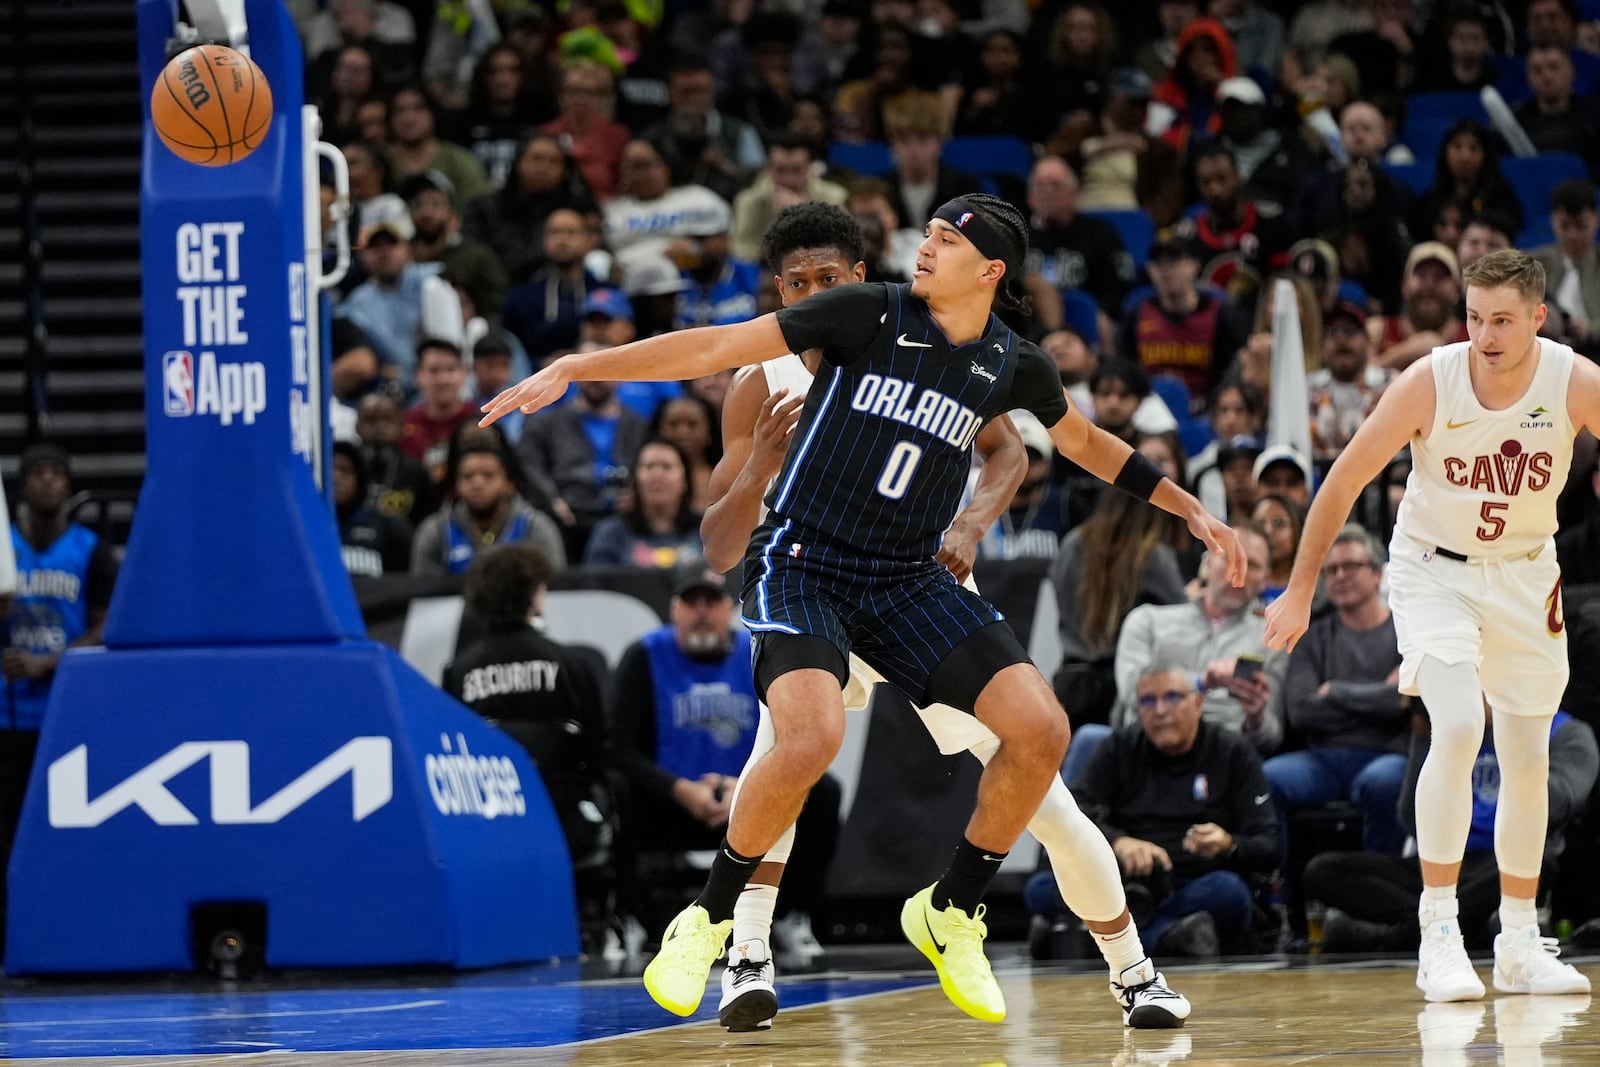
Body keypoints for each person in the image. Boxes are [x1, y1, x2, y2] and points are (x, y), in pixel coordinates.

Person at [482, 191, 1244, 1026]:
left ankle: (978, 917)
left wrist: (1185, 506)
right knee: (803, 743)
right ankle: (721, 931)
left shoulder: (1008, 362)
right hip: (809, 565)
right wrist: (577, 366)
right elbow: (708, 352)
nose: (924, 245)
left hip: (912, 574)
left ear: (988, 269)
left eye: (945, 238)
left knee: (1042, 739)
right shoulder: (852, 319)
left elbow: (1069, 445)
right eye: (925, 231)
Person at [697, 202, 1192, 1032]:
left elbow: (1012, 448)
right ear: (780, 291)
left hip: (908, 586)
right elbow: (718, 545)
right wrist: (755, 477)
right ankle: (746, 952)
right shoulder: (762, 381)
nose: (813, 294)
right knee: (785, 755)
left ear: (861, 279)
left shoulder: (921, 338)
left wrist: (969, 523)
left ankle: (1133, 968)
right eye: (796, 284)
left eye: (828, 279)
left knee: (1044, 783)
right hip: (810, 583)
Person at [1264, 248, 1600, 1002]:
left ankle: (1518, 939)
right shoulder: (1430, 381)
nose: (1485, 333)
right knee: (1454, 727)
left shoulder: (1574, 380)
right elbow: (1345, 477)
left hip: (1524, 571)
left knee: (1526, 754)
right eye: (1475, 316)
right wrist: (1300, 585)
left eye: (1503, 319)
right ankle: (1439, 934)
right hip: (1433, 568)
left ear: (1538, 319)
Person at [608, 562, 840, 979]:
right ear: (674, 609)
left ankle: (791, 916)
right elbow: (622, 749)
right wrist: (679, 789)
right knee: (618, 790)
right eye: (690, 602)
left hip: (748, 799)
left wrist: (745, 786)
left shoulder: (760, 653)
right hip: (672, 805)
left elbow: (787, 738)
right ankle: (632, 920)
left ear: (729, 608)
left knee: (824, 792)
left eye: (711, 601)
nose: (701, 611)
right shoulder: (644, 656)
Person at [443, 543, 615, 916]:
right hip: (566, 823)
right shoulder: (571, 664)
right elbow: (600, 752)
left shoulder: (458, 672)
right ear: (535, 595)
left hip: (489, 826)